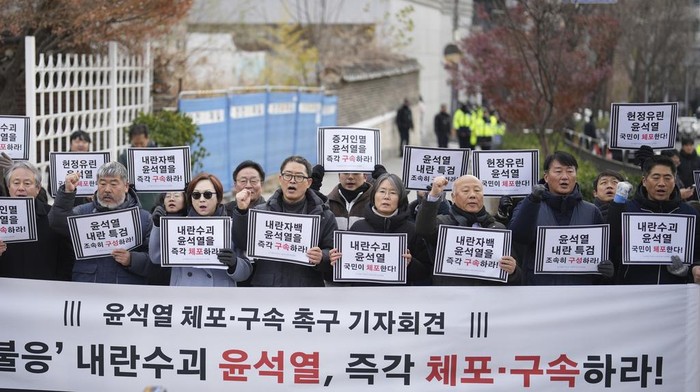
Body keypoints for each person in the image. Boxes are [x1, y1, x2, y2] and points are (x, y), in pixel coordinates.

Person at [232, 156, 338, 287]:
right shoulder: (261, 212)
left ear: (309, 182)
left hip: (306, 293)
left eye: (299, 177)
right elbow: (242, 243)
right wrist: (242, 212)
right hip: (267, 290)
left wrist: (322, 257)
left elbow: (334, 253)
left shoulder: (324, 216)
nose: (292, 181)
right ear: (280, 179)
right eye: (288, 175)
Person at [508, 151, 612, 285]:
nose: (565, 177)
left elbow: (601, 253)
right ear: (546, 177)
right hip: (538, 291)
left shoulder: (591, 211)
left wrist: (605, 269)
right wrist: (532, 202)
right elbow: (518, 236)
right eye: (558, 171)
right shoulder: (530, 205)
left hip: (580, 293)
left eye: (570, 171)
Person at [48, 161, 152, 284]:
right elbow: (57, 223)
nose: (107, 189)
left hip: (126, 292)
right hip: (88, 288)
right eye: (102, 183)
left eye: (114, 184)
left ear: (126, 186)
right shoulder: (83, 212)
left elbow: (155, 259)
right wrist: (67, 193)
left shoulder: (143, 218)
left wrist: (132, 259)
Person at [608, 155, 700, 284]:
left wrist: (689, 270)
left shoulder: (689, 214)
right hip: (632, 290)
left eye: (667, 178)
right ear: (644, 181)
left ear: (674, 181)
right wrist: (615, 207)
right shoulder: (627, 211)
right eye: (656, 178)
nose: (661, 183)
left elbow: (696, 254)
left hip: (675, 292)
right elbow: (611, 246)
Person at [415, 175, 521, 285]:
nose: (472, 195)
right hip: (450, 297)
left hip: (488, 298)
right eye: (465, 191)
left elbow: (517, 277)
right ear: (453, 197)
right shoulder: (443, 224)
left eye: (477, 190)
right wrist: (434, 195)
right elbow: (423, 229)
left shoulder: (498, 229)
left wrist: (513, 271)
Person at [149, 174, 252, 287]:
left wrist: (235, 264)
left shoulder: (230, 226)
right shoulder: (178, 227)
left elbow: (246, 271)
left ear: (218, 197)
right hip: (184, 297)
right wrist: (158, 226)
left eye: (207, 195)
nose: (201, 200)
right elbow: (156, 257)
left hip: (219, 298)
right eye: (196, 195)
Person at [329, 173, 430, 285]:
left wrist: (410, 263)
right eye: (382, 191)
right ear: (374, 195)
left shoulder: (411, 229)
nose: (386, 196)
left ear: (400, 198)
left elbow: (425, 272)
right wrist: (336, 260)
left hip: (398, 298)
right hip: (362, 297)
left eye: (393, 192)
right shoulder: (358, 227)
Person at [0, 162, 73, 280]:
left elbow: (66, 258)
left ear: (38, 188)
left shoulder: (53, 217)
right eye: (16, 183)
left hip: (46, 292)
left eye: (27, 183)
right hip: (6, 292)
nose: (21, 188)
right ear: (8, 188)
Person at [118, 123, 159, 212]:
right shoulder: (125, 157)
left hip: (155, 202)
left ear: (147, 139)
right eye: (136, 144)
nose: (139, 147)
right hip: (133, 204)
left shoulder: (158, 155)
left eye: (142, 144)